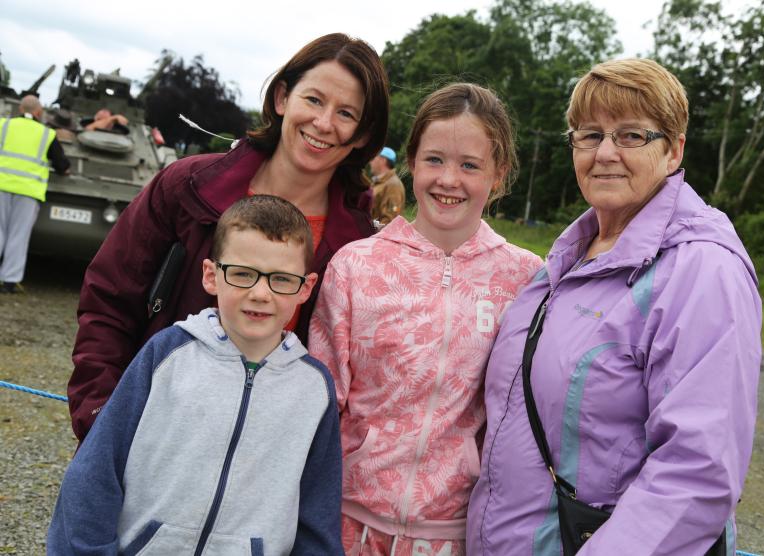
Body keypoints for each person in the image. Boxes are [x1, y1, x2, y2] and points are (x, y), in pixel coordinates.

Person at [466, 58, 762, 555]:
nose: (605, 153)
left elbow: (697, 474)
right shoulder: (567, 257)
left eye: (630, 136)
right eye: (589, 134)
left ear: (673, 151)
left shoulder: (701, 271)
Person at [67, 33, 390, 443]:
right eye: (313, 100)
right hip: (151, 437)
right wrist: (102, 419)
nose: (324, 123)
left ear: (363, 134)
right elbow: (108, 303)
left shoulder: (361, 247)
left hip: (268, 462)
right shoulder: (185, 188)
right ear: (281, 99)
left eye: (347, 113)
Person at [310, 83, 543, 556]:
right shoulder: (356, 266)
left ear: (498, 174)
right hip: (344, 526)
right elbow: (319, 401)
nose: (448, 180)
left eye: (470, 165)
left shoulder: (527, 280)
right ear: (412, 162)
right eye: (434, 159)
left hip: (453, 537)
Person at [47, 195, 342, 555]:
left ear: (306, 287)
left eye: (281, 279)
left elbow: (317, 514)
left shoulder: (313, 389)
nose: (260, 293)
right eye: (242, 274)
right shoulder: (166, 355)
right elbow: (95, 473)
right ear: (210, 276)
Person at [0, 95, 70, 294]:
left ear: (20, 109)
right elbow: (62, 165)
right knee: (18, 236)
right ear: (39, 112)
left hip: (1, 185)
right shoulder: (46, 134)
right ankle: (9, 282)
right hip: (28, 191)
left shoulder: (3, 125)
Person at [370, 146, 406, 225]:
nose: (370, 162)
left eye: (373, 158)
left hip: (378, 236)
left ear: (383, 160)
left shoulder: (393, 185)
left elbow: (389, 221)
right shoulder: (379, 183)